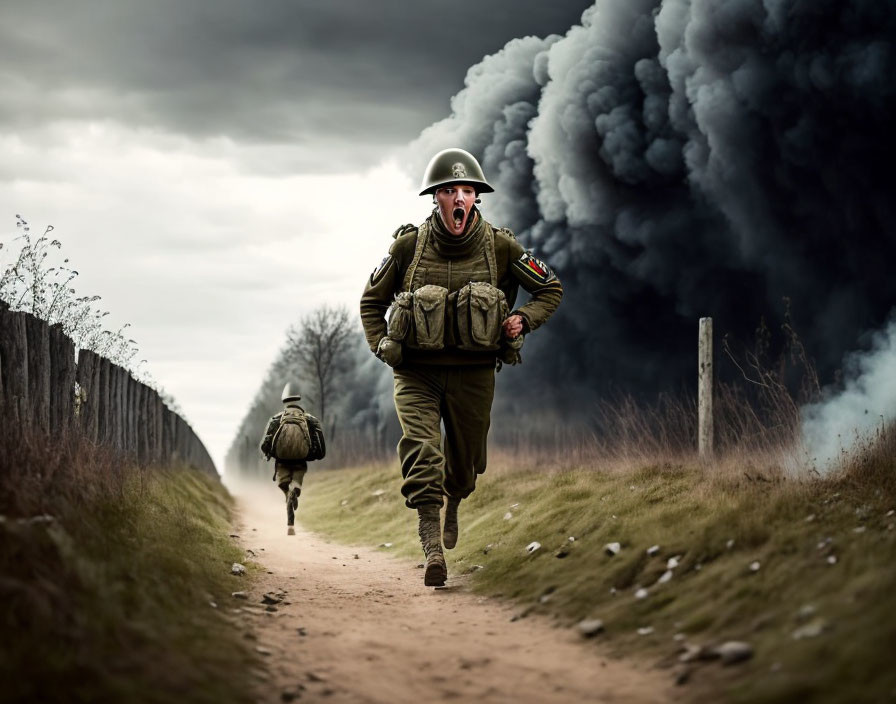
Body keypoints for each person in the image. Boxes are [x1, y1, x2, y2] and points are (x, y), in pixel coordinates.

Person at [359, 148, 562, 586]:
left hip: (474, 372)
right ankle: (432, 544)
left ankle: (455, 499)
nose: (458, 198)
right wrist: (382, 346)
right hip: (416, 372)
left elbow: (550, 288)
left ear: (476, 198)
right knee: (422, 449)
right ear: (435, 198)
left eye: (466, 190)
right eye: (448, 190)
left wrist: (522, 319)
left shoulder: (502, 247)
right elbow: (371, 303)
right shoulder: (407, 247)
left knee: (465, 464)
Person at [259, 383, 326, 528]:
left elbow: (265, 443)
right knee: (298, 474)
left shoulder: (276, 419)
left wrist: (267, 454)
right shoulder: (310, 419)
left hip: (281, 460)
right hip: (301, 459)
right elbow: (320, 445)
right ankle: (295, 488)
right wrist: (315, 455)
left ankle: (287, 493)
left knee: (282, 481)